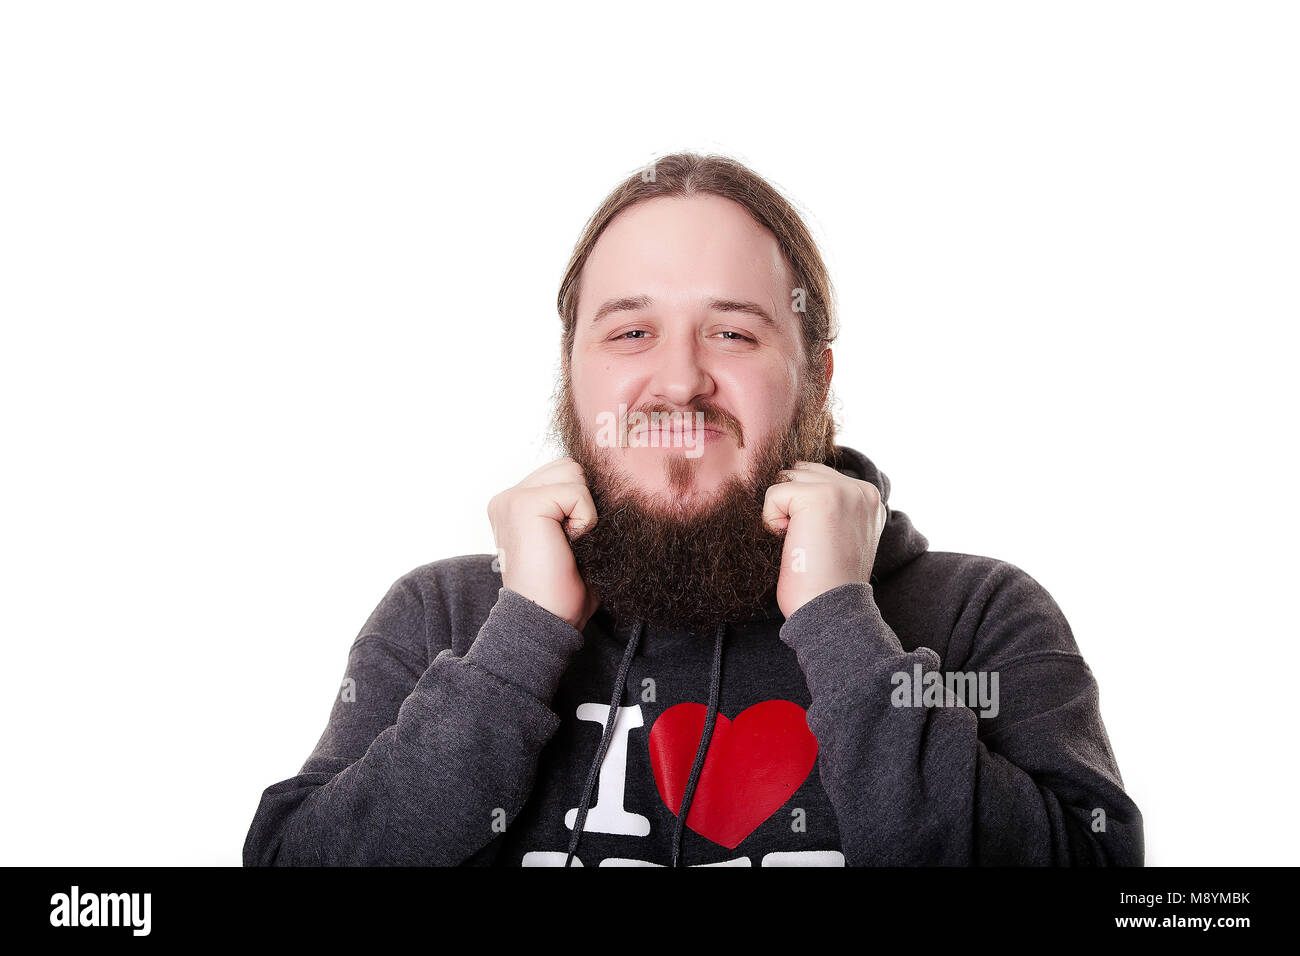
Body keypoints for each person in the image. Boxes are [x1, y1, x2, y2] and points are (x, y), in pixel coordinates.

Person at [242, 152, 1144, 867]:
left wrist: (841, 630)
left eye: (733, 333)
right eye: (632, 332)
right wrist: (518, 643)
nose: (678, 379)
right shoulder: (444, 618)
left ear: (815, 378)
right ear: (573, 371)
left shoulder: (980, 614)